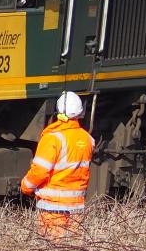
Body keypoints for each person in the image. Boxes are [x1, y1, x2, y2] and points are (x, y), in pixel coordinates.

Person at [21, 91, 95, 238]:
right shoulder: (88, 139)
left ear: (59, 112)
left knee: (53, 250)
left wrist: (25, 187)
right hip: (76, 207)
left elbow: (40, 171)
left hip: (53, 207)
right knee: (73, 247)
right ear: (80, 113)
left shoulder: (52, 139)